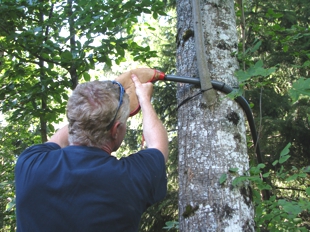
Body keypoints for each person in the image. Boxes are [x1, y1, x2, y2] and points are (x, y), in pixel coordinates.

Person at [15, 74, 169, 232]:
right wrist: (144, 99)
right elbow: (157, 145)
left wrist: (94, 103)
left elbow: (61, 138)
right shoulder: (130, 177)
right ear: (115, 130)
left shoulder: (30, 164)